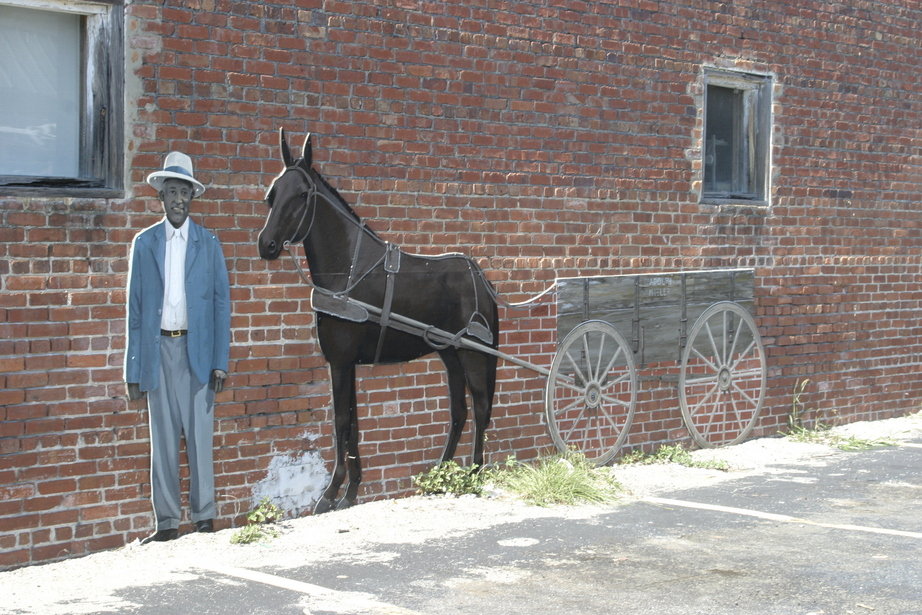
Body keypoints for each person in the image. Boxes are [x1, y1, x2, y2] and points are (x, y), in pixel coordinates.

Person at [124, 151, 231, 543]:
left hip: (197, 353)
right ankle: (167, 524)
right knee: (163, 440)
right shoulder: (145, 243)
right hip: (158, 353)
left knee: (200, 437)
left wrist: (220, 361)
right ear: (161, 198)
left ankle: (205, 519)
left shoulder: (208, 243)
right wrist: (133, 369)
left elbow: (222, 305)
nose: (178, 200)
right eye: (171, 192)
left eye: (184, 192)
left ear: (192, 196)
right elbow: (134, 309)